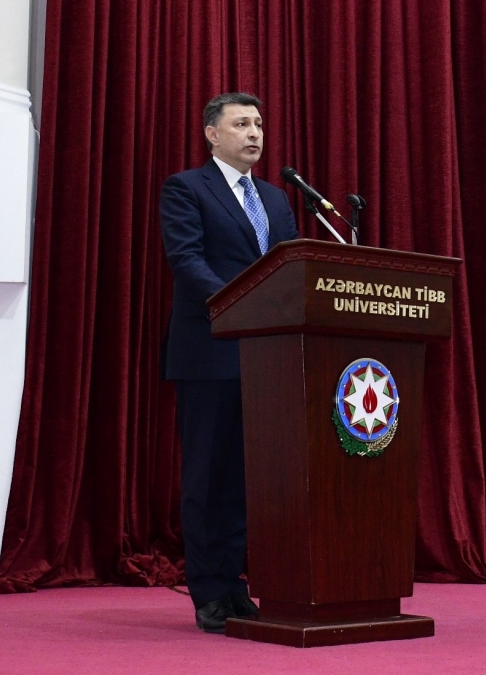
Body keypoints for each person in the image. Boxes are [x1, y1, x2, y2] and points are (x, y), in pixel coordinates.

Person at [159, 92, 299, 633]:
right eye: (241, 124)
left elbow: (291, 268)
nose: (254, 133)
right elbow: (187, 260)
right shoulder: (187, 188)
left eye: (259, 123)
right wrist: (240, 304)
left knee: (245, 481)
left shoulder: (276, 199)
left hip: (266, 359)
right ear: (212, 134)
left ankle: (236, 586)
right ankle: (208, 590)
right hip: (210, 352)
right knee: (207, 477)